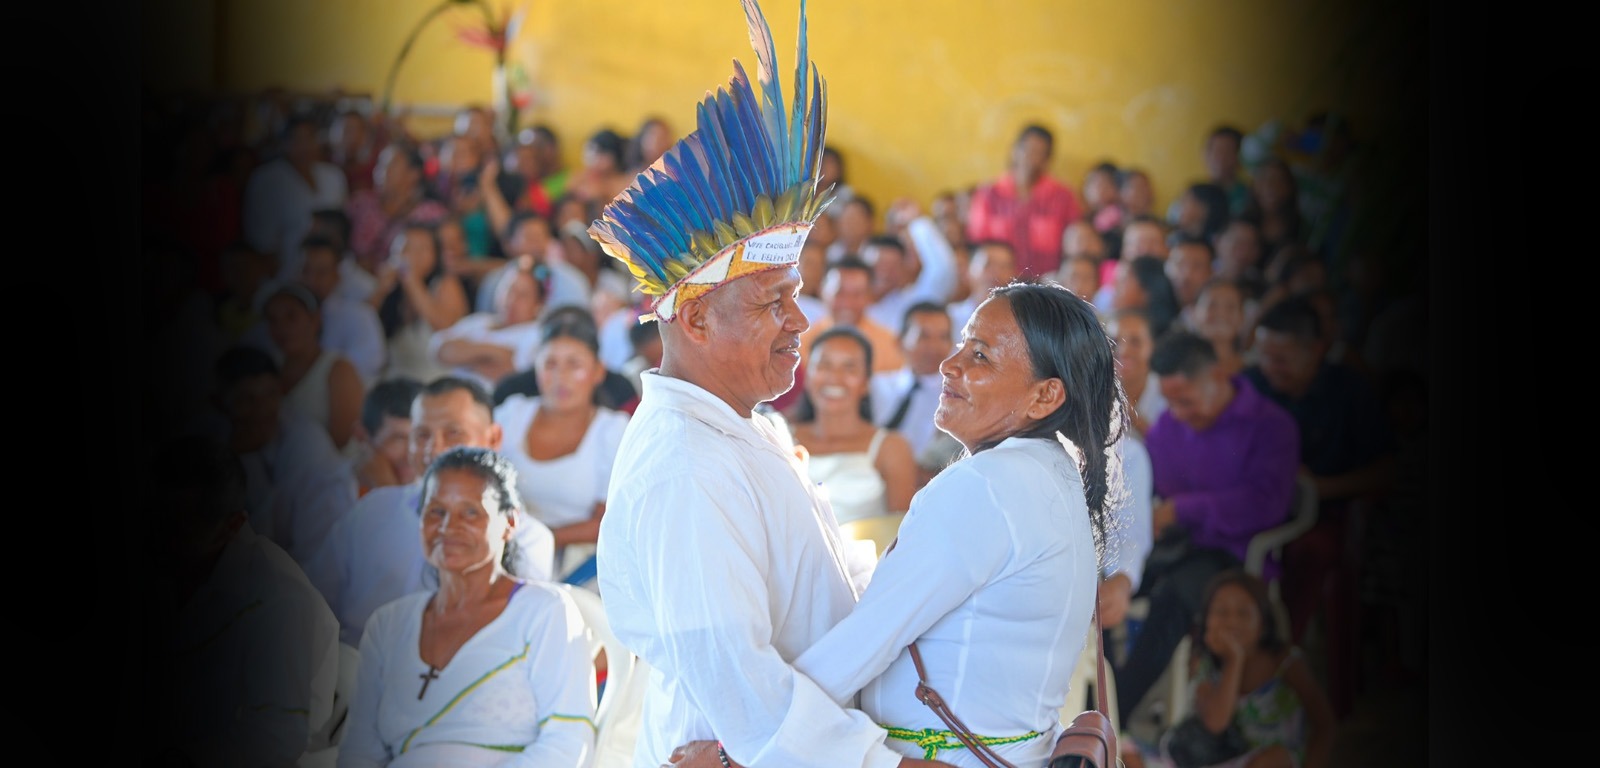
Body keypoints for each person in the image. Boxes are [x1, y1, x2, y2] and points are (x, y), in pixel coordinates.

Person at [588, 1, 950, 763]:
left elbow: (823, 585)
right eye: (771, 302)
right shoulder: (687, 468)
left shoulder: (751, 426)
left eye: (798, 297)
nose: (801, 322)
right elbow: (746, 694)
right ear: (692, 321)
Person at [672, 280, 1133, 768]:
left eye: (981, 357)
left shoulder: (990, 486)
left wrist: (738, 750)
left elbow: (861, 648)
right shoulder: (1050, 469)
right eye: (962, 345)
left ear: (1044, 397)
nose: (949, 365)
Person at [339, 446, 597, 767]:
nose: (448, 527)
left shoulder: (544, 611)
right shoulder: (388, 625)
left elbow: (567, 743)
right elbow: (359, 752)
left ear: (510, 522)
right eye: (436, 511)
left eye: (471, 512)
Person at [1114, 330, 1299, 727]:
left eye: (1186, 401)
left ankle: (1116, 712)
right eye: (1170, 401)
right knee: (1110, 584)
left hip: (1232, 555)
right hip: (1176, 546)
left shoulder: (1270, 425)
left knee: (1171, 596)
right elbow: (1154, 490)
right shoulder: (1168, 426)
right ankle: (1100, 694)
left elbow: (1266, 505)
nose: (1178, 412)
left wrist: (1183, 509)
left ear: (1216, 376)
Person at [305, 375, 556, 648]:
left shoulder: (527, 537)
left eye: (453, 433)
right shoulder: (372, 511)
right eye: (421, 435)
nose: (433, 449)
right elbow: (311, 601)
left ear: (493, 438)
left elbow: (513, 638)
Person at [146, 433, 340, 768]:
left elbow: (276, 737)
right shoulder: (174, 567)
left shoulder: (278, 596)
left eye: (177, 528)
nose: (158, 539)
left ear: (231, 526)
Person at [1125, 569, 1336, 768]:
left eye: (1243, 613)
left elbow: (1324, 726)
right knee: (1126, 753)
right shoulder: (1205, 665)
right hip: (1219, 759)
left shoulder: (1287, 663)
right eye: (1221, 612)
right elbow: (1215, 724)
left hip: (1274, 760)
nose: (1231, 622)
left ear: (1263, 624)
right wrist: (1234, 661)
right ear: (1206, 623)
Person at [493, 312, 630, 587]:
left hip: (580, 571)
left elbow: (607, 522)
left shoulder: (613, 431)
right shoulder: (512, 413)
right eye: (550, 364)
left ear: (598, 372)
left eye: (574, 365)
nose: (560, 377)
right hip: (501, 556)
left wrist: (533, 541)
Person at [211, 343, 359, 571]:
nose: (262, 410)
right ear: (220, 403)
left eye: (270, 395)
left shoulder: (306, 443)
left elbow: (310, 549)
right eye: (246, 400)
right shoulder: (207, 437)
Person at [789, 325, 917, 524]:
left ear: (866, 382)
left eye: (849, 368)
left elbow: (903, 533)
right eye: (824, 365)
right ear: (807, 376)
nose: (835, 377)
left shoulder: (891, 447)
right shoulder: (780, 437)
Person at [257, 279, 365, 453]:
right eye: (273, 320)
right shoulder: (268, 371)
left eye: (291, 317)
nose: (281, 328)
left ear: (315, 319)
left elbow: (343, 441)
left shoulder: (339, 369)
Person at [964, 123, 1080, 279]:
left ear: (1047, 159)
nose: (1030, 157)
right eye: (1027, 149)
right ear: (1014, 151)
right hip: (998, 285)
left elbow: (1073, 243)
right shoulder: (989, 194)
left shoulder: (1063, 197)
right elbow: (977, 242)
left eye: (1039, 153)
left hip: (1046, 286)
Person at [348, 376, 425, 496]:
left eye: (421, 437)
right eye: (399, 439)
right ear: (362, 436)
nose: (412, 454)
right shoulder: (327, 495)